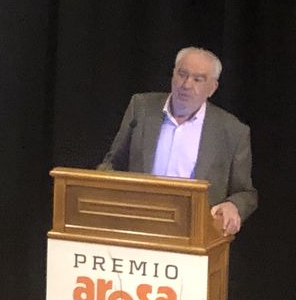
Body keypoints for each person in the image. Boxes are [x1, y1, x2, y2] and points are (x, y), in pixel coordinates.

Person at [99, 47, 257, 235]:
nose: (186, 84)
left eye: (198, 79)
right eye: (182, 74)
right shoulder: (141, 108)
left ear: (212, 88)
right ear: (173, 74)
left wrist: (233, 206)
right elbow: (112, 164)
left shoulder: (232, 131)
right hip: (136, 226)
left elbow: (245, 193)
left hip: (194, 234)